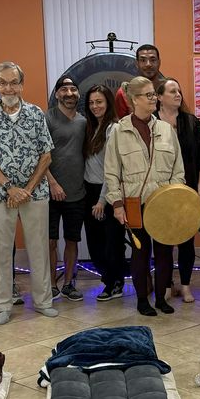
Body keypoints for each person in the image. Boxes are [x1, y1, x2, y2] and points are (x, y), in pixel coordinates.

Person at [0, 61, 58, 325]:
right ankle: (2, 305)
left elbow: (46, 156)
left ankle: (43, 301)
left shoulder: (35, 113)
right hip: (0, 194)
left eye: (13, 82)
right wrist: (10, 187)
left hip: (35, 193)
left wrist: (27, 189)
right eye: (3, 82)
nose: (8, 87)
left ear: (21, 85)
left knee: (39, 248)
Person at [104, 76, 185, 317]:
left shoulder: (165, 130)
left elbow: (178, 169)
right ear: (134, 99)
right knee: (140, 253)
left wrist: (174, 196)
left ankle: (161, 298)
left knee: (164, 252)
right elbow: (111, 172)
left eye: (154, 94)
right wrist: (117, 205)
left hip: (163, 202)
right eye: (148, 95)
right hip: (134, 203)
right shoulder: (119, 131)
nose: (153, 98)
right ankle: (142, 299)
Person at [156, 77, 200, 303]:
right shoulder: (151, 123)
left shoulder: (191, 122)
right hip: (160, 193)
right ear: (159, 97)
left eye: (179, 90)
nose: (178, 94)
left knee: (187, 241)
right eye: (172, 91)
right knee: (163, 242)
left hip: (189, 192)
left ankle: (186, 286)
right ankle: (166, 285)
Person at [46, 75, 88, 303]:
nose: (69, 94)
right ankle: (51, 284)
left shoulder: (83, 121)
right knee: (50, 241)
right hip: (51, 192)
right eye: (64, 89)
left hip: (77, 193)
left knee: (72, 240)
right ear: (57, 93)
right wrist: (52, 183)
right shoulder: (48, 118)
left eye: (73, 89)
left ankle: (68, 283)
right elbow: (39, 156)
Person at [82, 85, 126, 301]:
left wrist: (101, 200)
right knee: (95, 244)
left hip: (108, 193)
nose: (95, 106)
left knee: (112, 243)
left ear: (108, 103)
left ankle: (114, 283)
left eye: (99, 102)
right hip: (89, 191)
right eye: (91, 103)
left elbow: (113, 169)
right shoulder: (92, 127)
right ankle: (109, 278)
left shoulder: (113, 128)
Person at [114, 43, 162, 119]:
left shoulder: (169, 89)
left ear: (159, 62)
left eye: (153, 60)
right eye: (143, 60)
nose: (148, 64)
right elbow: (121, 125)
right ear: (137, 64)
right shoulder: (124, 93)